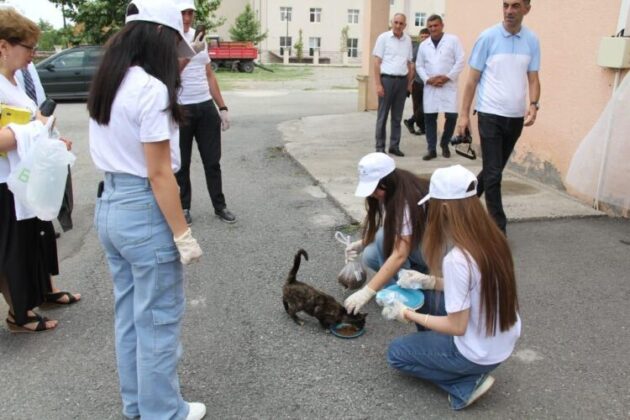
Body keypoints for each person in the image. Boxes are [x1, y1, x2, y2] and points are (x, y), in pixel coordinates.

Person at [88, 0, 204, 418]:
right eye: (176, 45)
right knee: (158, 320)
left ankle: (138, 406)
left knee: (130, 318)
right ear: (159, 37)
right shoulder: (151, 90)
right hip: (143, 208)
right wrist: (182, 234)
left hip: (111, 206)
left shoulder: (110, 80)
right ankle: (164, 413)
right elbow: (159, 175)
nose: (179, 56)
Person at [384, 164, 521, 410]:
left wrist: (406, 314)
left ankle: (463, 384)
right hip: (500, 343)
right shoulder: (494, 238)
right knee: (425, 295)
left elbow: (456, 326)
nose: (431, 212)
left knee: (396, 354)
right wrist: (429, 281)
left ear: (446, 207)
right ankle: (442, 356)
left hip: (476, 353)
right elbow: (476, 287)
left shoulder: (458, 259)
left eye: (433, 205)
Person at [0, 7, 78, 333]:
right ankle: (19, 314)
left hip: (23, 176)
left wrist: (50, 138)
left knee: (33, 240)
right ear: (3, 45)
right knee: (11, 249)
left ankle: (35, 297)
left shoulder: (14, 79)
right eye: (28, 48)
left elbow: (29, 121)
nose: (33, 56)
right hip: (6, 179)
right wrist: (37, 130)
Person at [456, 0, 540, 233]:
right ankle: (497, 230)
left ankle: (460, 206)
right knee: (493, 174)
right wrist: (463, 116)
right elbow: (471, 80)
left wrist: (533, 104)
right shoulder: (487, 37)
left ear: (526, 9)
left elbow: (533, 77)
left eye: (515, 6)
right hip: (489, 114)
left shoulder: (532, 40)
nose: (509, 11)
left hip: (515, 118)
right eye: (505, 5)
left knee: (493, 170)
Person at [343, 152, 428, 315]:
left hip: (436, 253)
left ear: (387, 181)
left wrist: (367, 292)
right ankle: (409, 282)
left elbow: (400, 254)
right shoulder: (392, 192)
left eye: (375, 188)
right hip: (418, 244)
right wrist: (362, 243)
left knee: (383, 238)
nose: (372, 194)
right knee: (369, 255)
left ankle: (401, 296)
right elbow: (393, 226)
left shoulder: (406, 199)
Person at [176, 0, 235, 225]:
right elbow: (170, 72)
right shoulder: (168, 38)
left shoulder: (200, 39)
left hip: (204, 106)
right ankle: (183, 207)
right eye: (183, 13)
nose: (188, 18)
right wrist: (190, 50)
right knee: (182, 164)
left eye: (191, 12)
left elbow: (209, 74)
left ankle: (220, 206)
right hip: (181, 107)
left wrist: (222, 107)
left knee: (212, 161)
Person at [416, 14, 465, 161]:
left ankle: (444, 143)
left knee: (451, 116)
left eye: (435, 25)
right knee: (430, 118)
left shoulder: (453, 40)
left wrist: (447, 77)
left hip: (448, 84)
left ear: (442, 25)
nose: (433, 28)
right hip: (431, 86)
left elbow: (461, 60)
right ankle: (431, 149)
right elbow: (419, 65)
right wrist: (428, 79)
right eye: (430, 26)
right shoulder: (424, 45)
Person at [372, 13, 414, 157]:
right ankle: (379, 147)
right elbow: (376, 62)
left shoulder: (408, 40)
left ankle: (394, 146)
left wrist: (409, 84)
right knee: (382, 115)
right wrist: (378, 84)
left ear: (405, 25)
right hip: (387, 81)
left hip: (402, 82)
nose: (398, 25)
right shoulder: (383, 38)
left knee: (397, 117)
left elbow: (409, 64)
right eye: (395, 22)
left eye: (401, 23)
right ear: (392, 23)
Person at [403, 28, 429, 136]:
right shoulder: (417, 48)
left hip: (429, 84)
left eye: (426, 36)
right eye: (422, 36)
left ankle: (411, 122)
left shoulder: (432, 48)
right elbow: (412, 67)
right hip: (418, 83)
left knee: (425, 107)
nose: (424, 39)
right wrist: (409, 84)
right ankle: (421, 127)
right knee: (417, 107)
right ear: (419, 37)